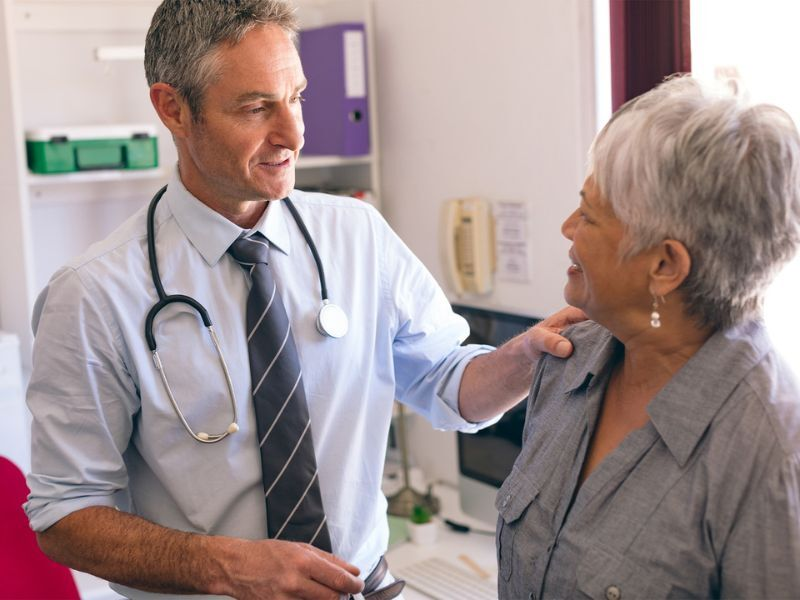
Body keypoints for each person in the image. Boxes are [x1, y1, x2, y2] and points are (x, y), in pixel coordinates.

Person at [23, 2, 583, 599]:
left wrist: (526, 355)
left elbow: (449, 386)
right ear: (173, 109)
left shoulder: (357, 234)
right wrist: (225, 566)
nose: (293, 135)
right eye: (256, 107)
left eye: (298, 98)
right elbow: (66, 516)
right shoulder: (93, 295)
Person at [496, 74, 800, 600]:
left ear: (664, 265)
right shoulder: (568, 359)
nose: (568, 227)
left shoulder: (769, 456)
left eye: (589, 215)